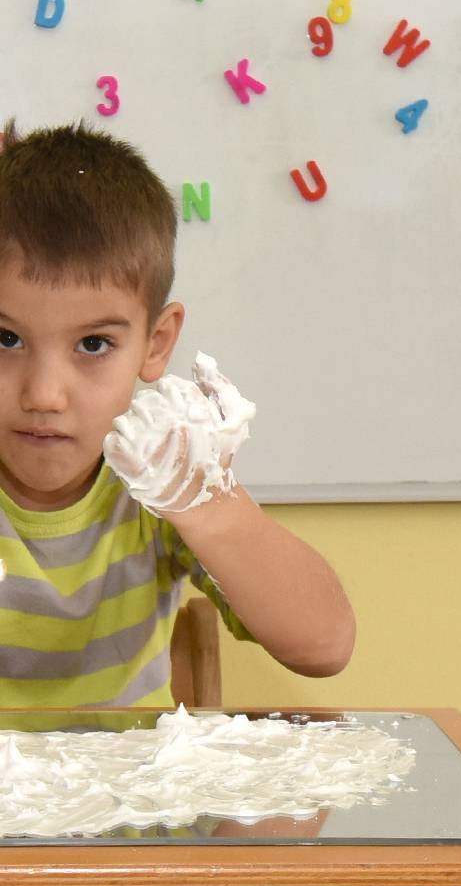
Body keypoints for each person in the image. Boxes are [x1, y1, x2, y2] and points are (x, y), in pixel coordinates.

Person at [0, 123, 354, 701]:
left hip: (128, 792)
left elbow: (325, 648)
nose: (44, 394)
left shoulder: (161, 485)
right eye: (5, 338)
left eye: (92, 345)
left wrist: (212, 510)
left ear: (156, 343)